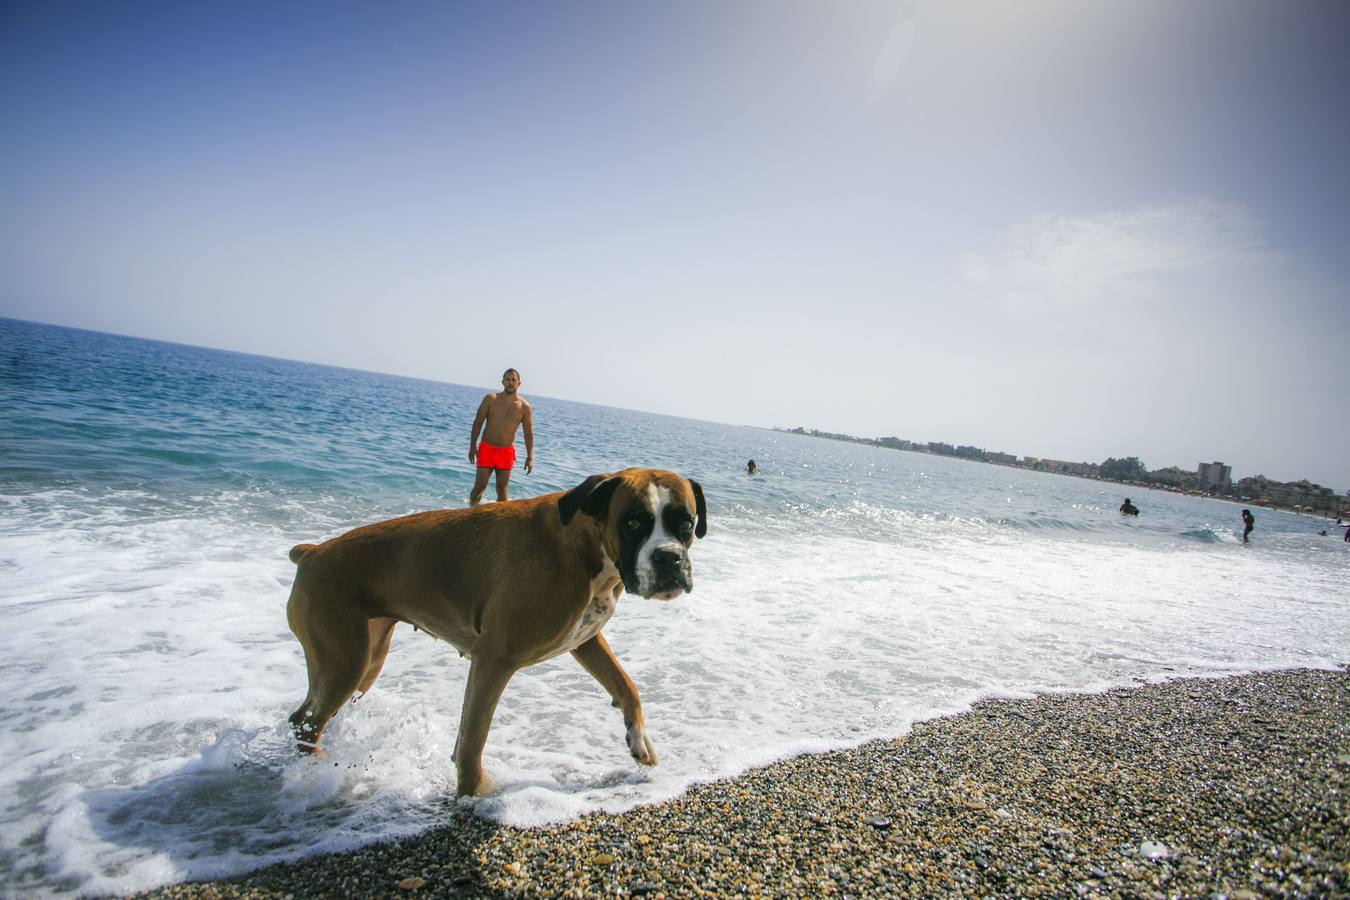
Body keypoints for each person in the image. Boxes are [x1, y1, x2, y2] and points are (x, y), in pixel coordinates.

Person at [468, 368, 533, 506]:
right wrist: (472, 446)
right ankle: (470, 512)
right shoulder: (491, 399)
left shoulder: (524, 407)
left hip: (506, 452)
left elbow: (528, 434)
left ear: (519, 383)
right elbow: (478, 422)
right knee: (479, 487)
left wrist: (529, 458)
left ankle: (498, 523)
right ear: (502, 381)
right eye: (508, 379)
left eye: (513, 380)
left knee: (502, 491)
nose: (510, 382)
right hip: (487, 448)